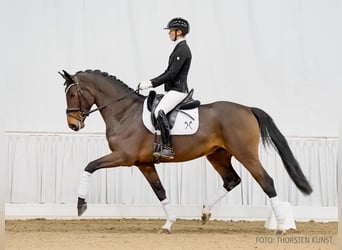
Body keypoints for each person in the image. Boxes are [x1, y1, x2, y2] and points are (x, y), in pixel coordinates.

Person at [138, 17, 192, 159]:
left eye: (171, 31)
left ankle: (168, 148)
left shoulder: (183, 50)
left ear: (179, 32)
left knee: (160, 111)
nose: (169, 34)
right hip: (172, 90)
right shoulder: (178, 48)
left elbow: (171, 74)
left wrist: (151, 83)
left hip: (178, 90)